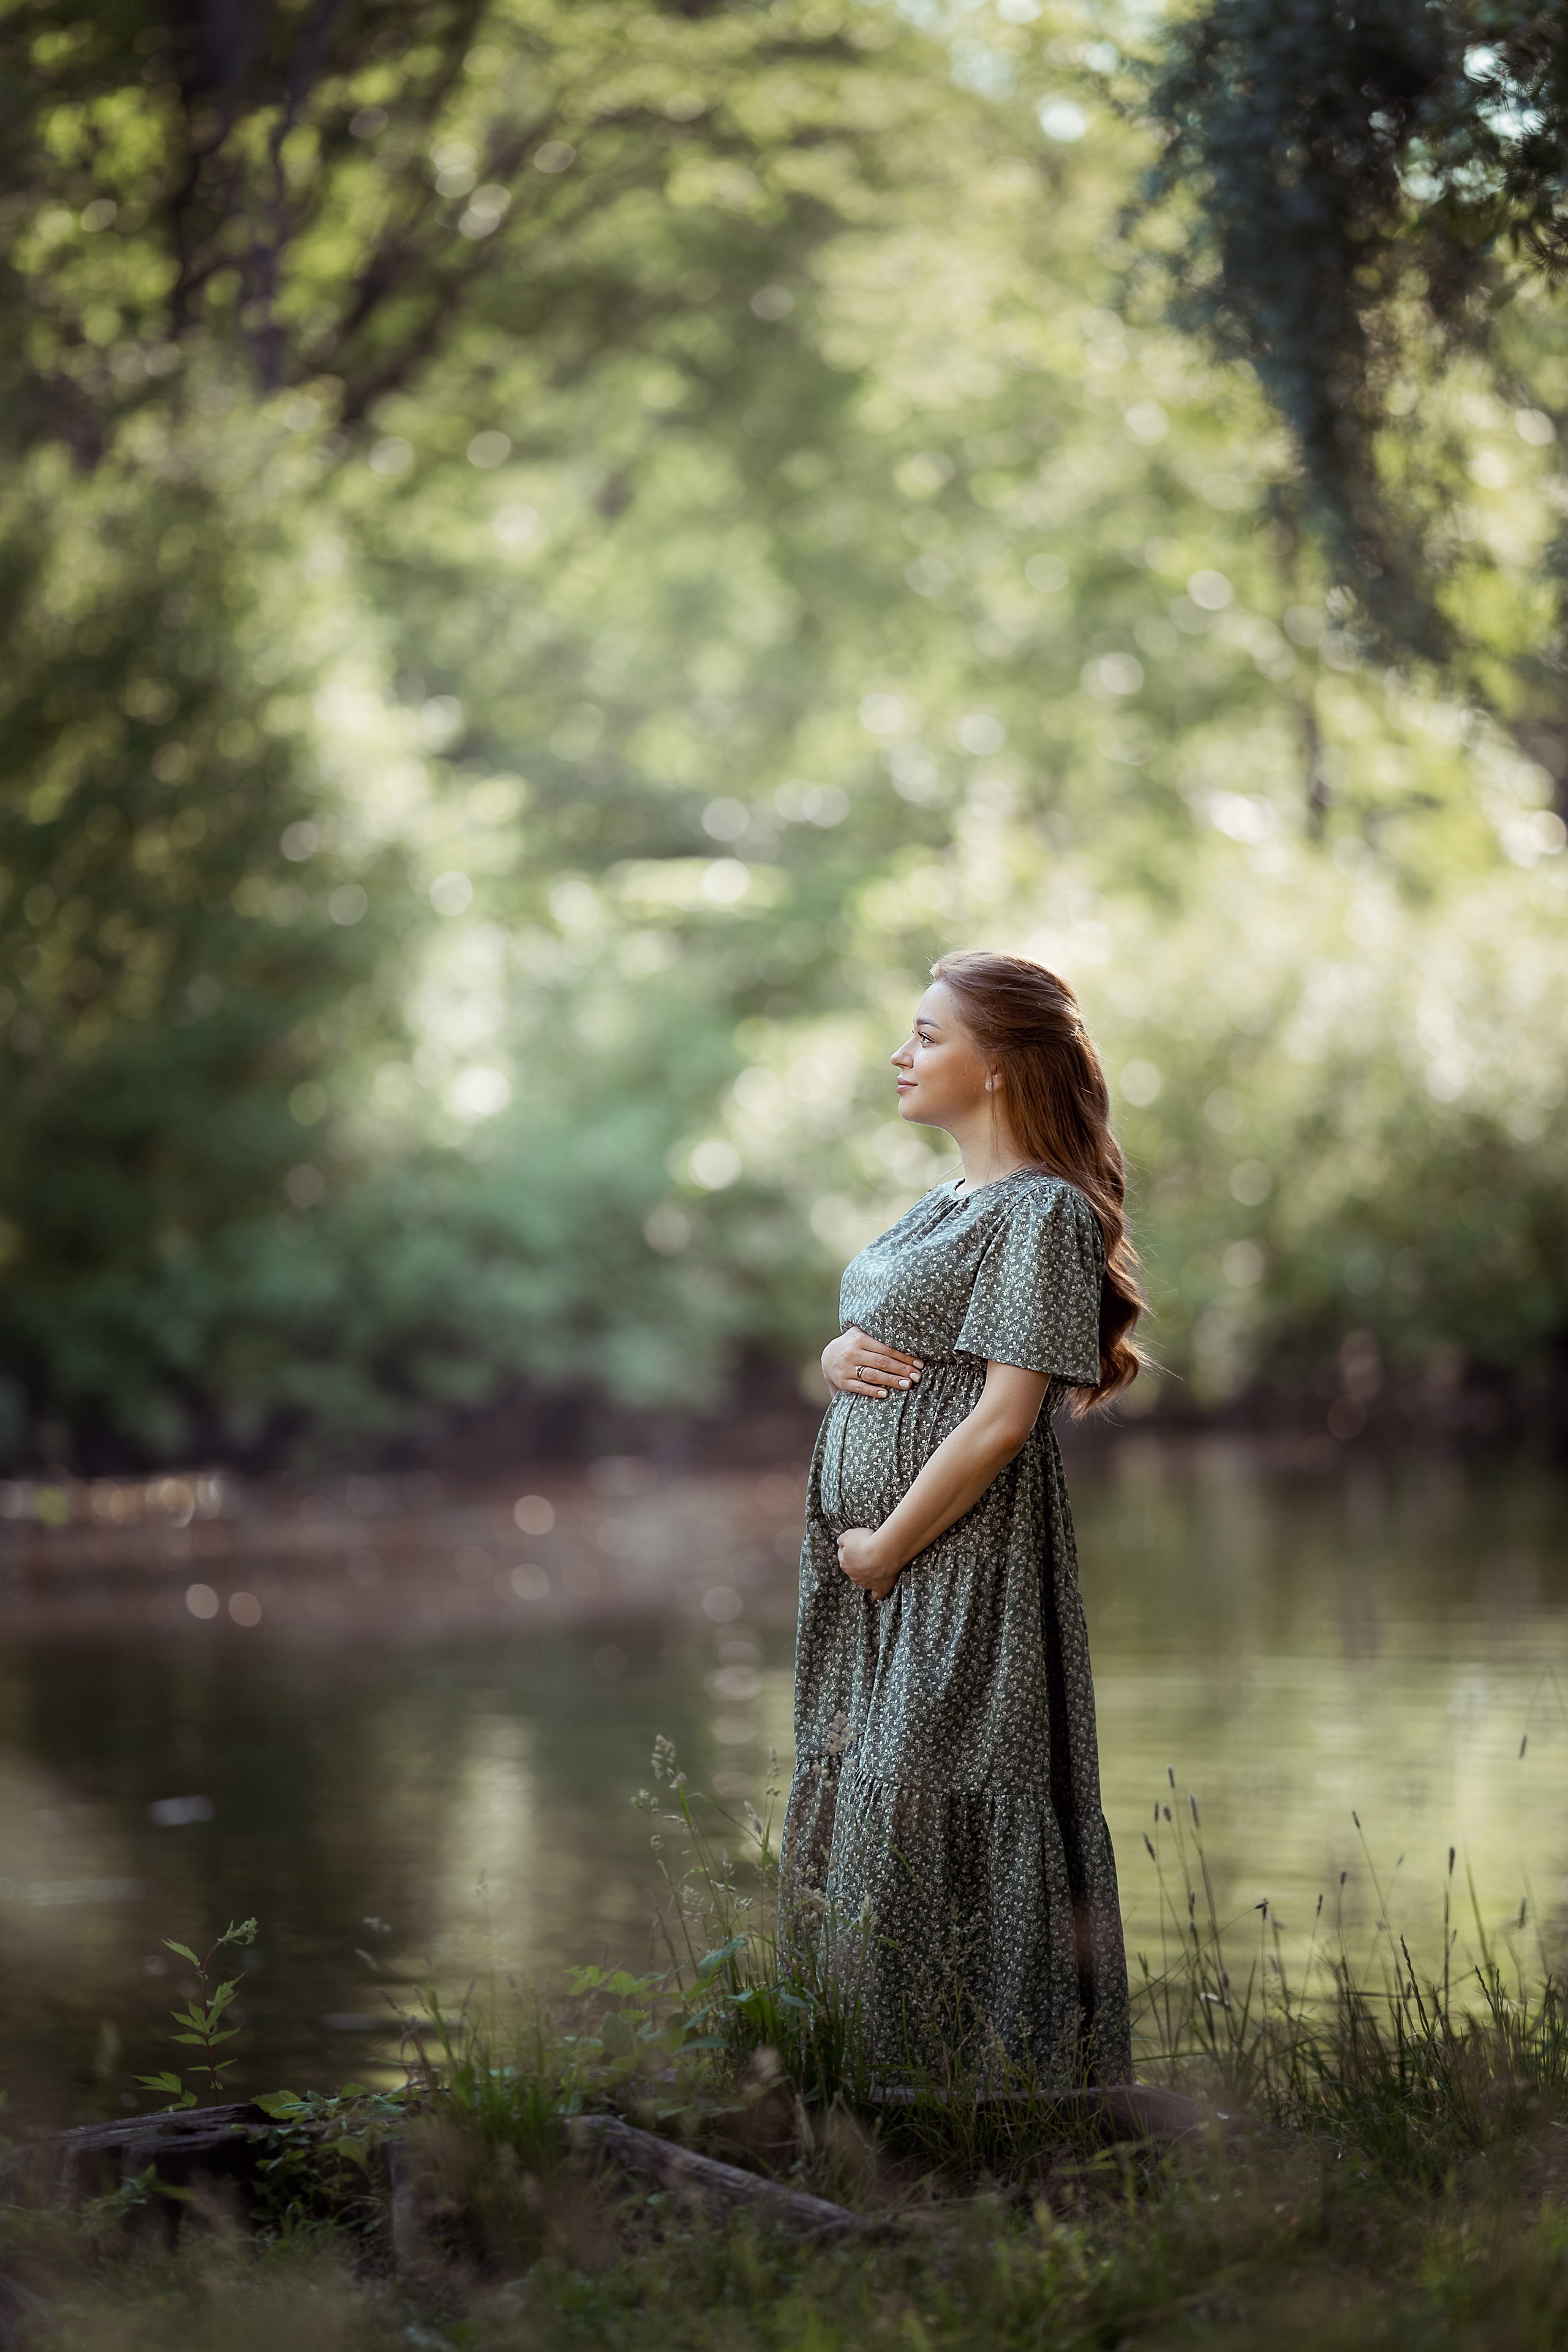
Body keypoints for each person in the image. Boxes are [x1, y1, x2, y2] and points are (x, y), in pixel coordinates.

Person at [782, 948, 1145, 2086]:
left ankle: (980, 2094)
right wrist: (831, 1357)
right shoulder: (945, 1203)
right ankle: (852, 2079)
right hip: (870, 1574)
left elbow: (999, 1422)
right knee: (865, 1798)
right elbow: (885, 1346)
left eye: (930, 1036)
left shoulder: (1039, 1212)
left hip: (951, 1564)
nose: (903, 1054)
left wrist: (887, 1545)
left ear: (1000, 1068)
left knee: (929, 1798)